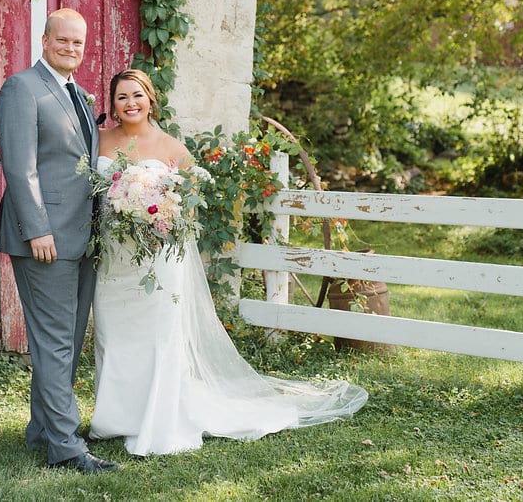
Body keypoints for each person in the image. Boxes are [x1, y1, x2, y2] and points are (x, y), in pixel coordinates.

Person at [88, 69, 368, 456]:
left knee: (157, 338)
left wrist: (160, 215)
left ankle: (159, 417)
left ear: (151, 100)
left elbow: (188, 201)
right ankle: (116, 418)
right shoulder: (100, 140)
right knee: (114, 334)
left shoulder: (171, 147)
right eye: (121, 97)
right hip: (115, 260)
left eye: (137, 95)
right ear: (113, 103)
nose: (130, 103)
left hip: (157, 261)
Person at [0, 8, 119, 474]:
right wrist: (38, 228)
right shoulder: (22, 87)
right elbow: (19, 167)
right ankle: (67, 448)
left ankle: (44, 431)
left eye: (78, 44)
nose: (71, 49)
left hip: (81, 238)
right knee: (55, 342)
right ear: (44, 40)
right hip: (44, 238)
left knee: (65, 339)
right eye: (62, 40)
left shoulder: (80, 96)